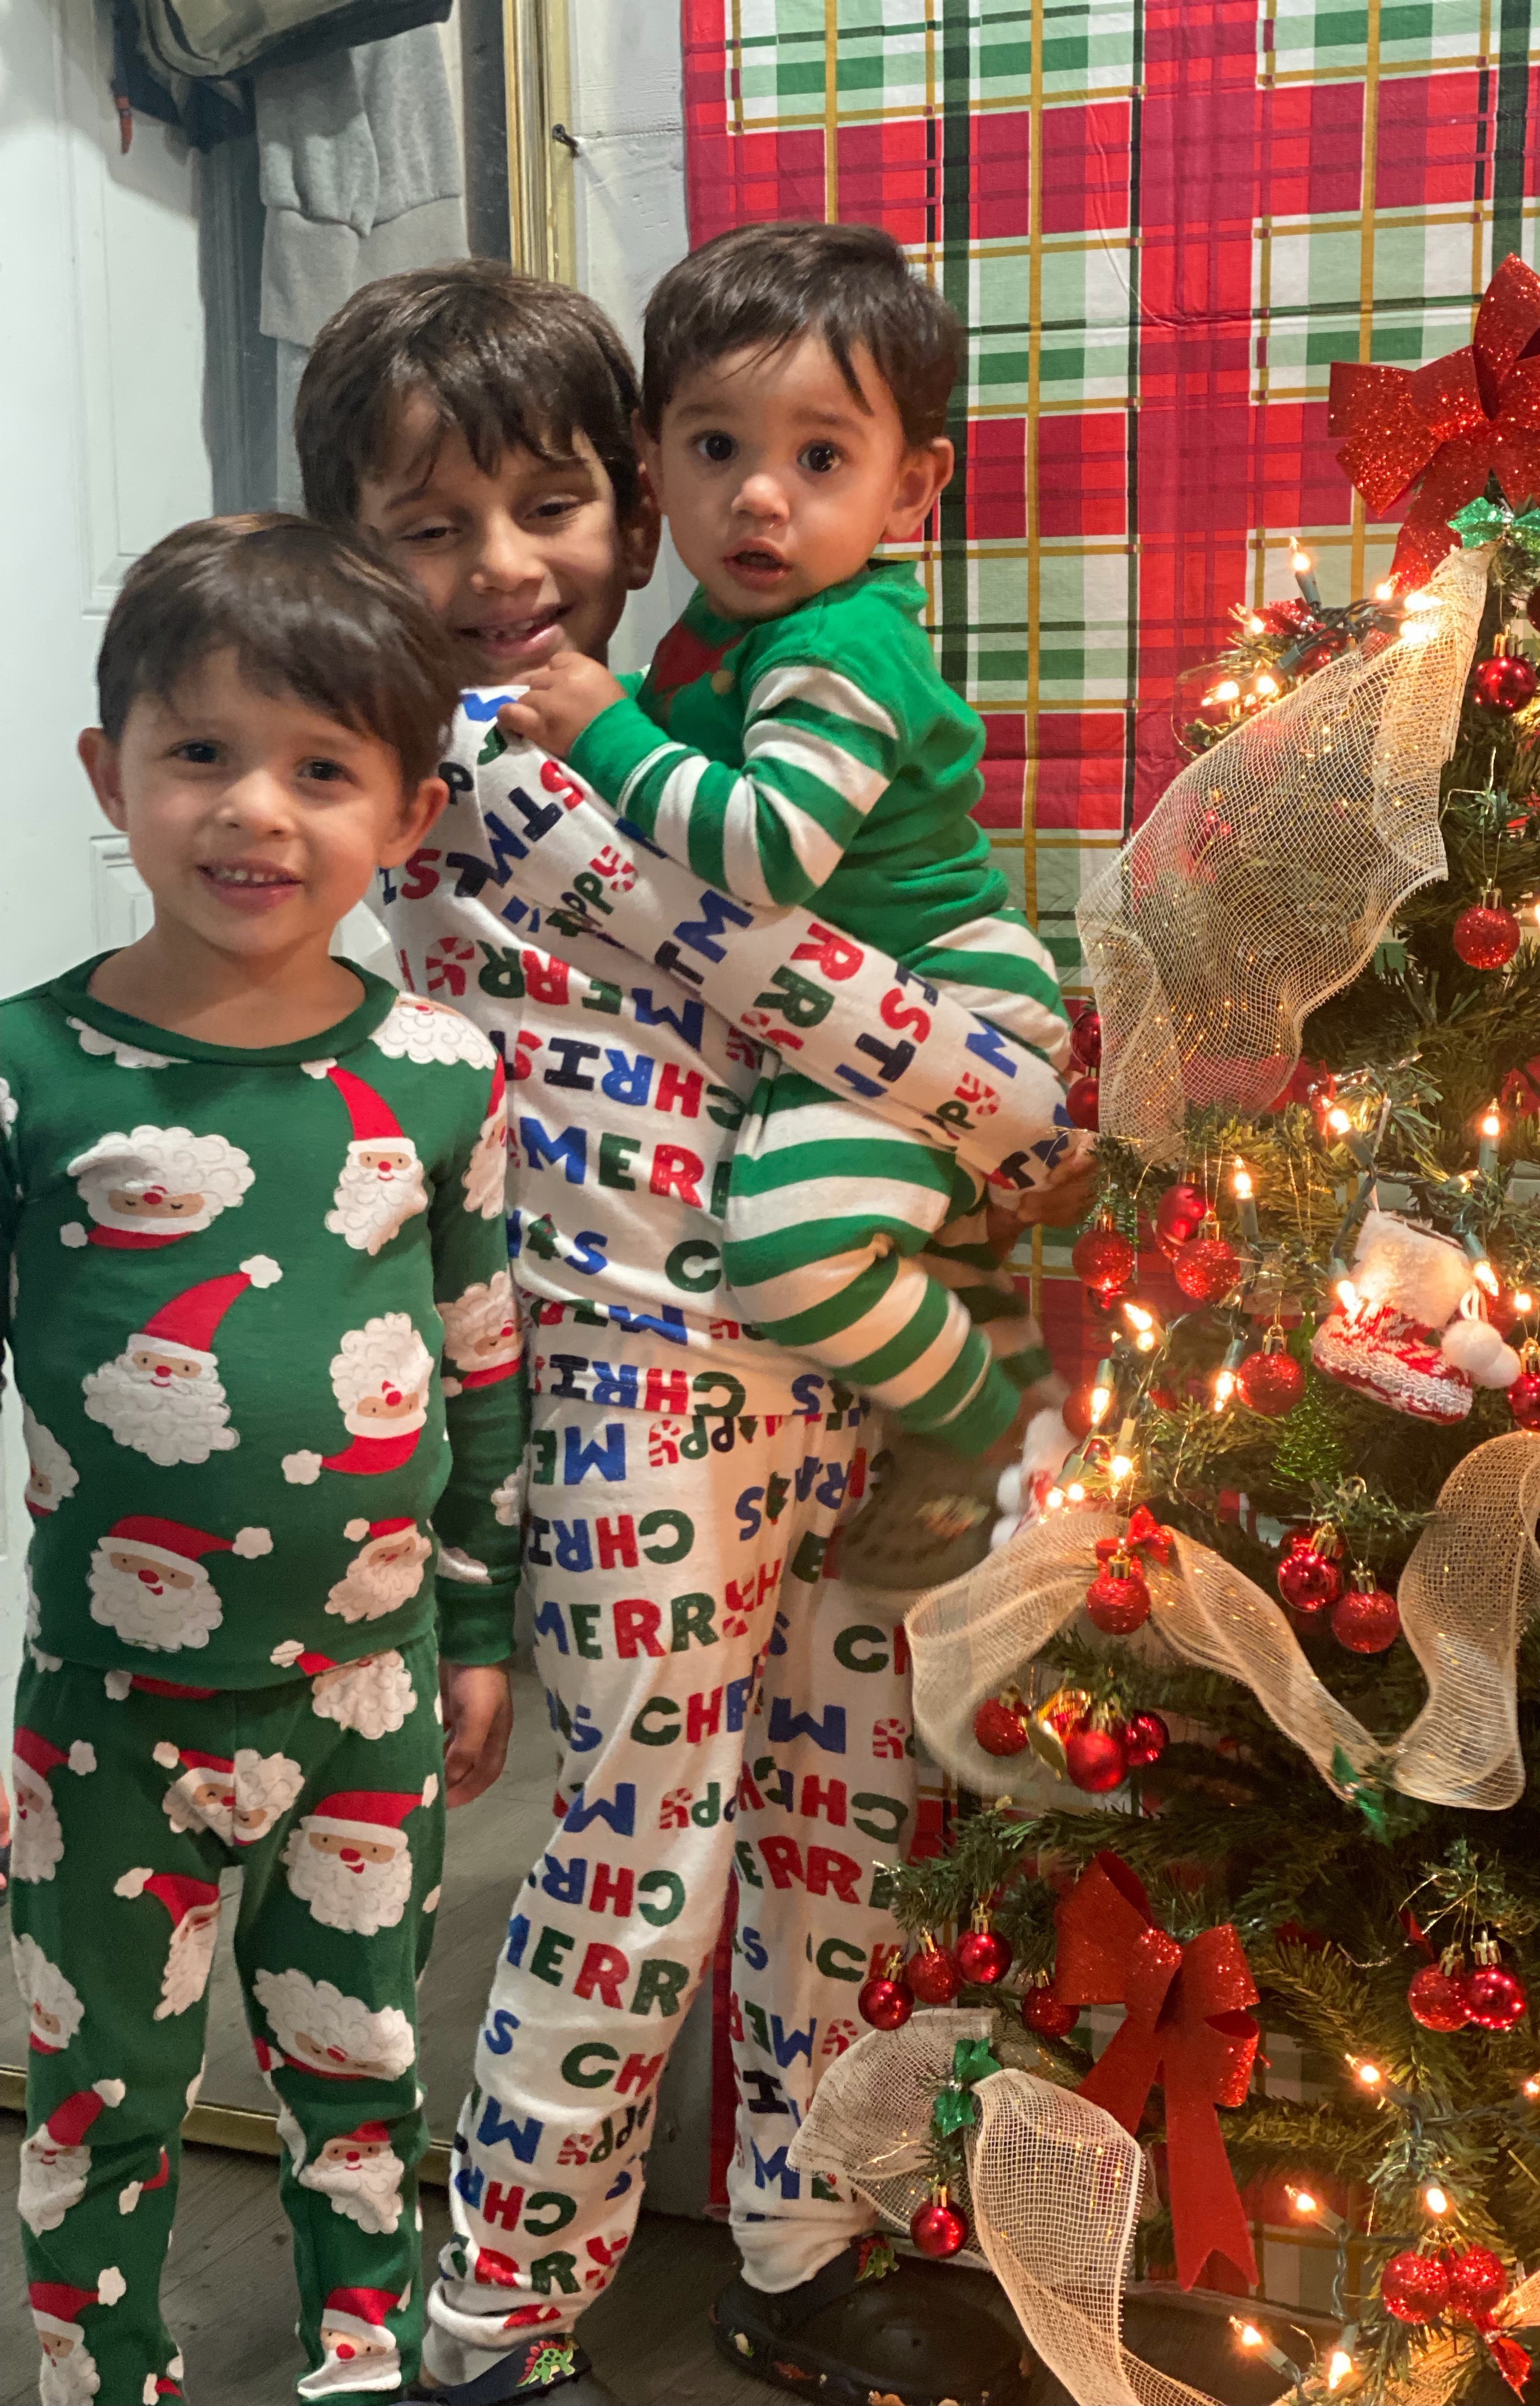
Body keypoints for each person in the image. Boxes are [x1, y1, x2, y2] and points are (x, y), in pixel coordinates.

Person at [295, 259, 1076, 2406]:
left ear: (632, 511)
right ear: (354, 550)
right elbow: (797, 979)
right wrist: (1023, 1105)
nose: (498, 567)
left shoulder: (687, 712)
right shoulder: (464, 768)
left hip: (825, 1362)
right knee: (637, 1871)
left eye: (548, 508)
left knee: (840, 1835)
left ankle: (804, 2249)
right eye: (427, 527)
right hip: (638, 1393)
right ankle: (497, 2328)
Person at [0, 516, 526, 2405]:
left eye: (321, 770)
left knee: (364, 2078)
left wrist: (481, 1627)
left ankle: (359, 2367)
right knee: (101, 2099)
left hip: (366, 1696)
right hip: (107, 1716)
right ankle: (98, 2381)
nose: (254, 810)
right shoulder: (32, 1073)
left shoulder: (443, 1074)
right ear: (110, 774)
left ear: (405, 812)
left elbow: (483, 1367)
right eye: (202, 753)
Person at [496, 219, 1073, 1425]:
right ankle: (1032, 1433)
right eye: (718, 447)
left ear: (908, 489)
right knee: (934, 1257)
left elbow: (765, 853)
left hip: (944, 984)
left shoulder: (836, 649)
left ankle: (973, 1434)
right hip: (858, 988)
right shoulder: (736, 628)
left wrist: (606, 734)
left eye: (821, 457)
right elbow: (687, 773)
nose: (759, 496)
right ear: (653, 466)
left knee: (793, 1257)